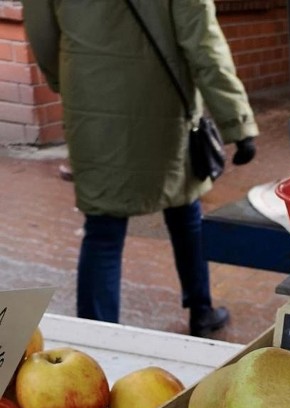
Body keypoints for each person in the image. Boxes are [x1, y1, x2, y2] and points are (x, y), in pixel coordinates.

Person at [23, 0, 259, 337]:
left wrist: (70, 80)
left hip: (92, 105)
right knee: (184, 210)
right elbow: (203, 41)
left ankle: (96, 337)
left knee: (103, 229)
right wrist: (236, 121)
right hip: (165, 103)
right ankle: (201, 310)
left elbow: (41, 32)